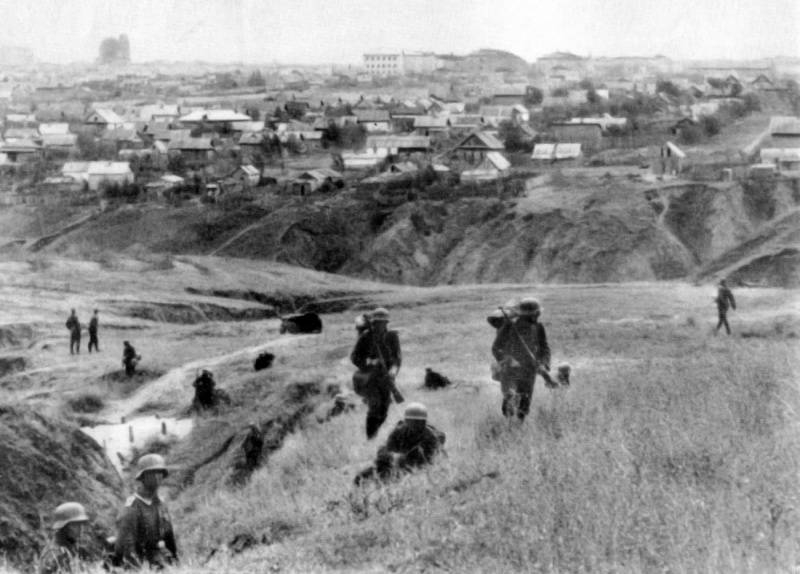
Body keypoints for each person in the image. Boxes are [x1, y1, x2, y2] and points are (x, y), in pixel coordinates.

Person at [491, 297, 554, 421]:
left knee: (525, 402)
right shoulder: (509, 325)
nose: (538, 315)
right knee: (510, 397)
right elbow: (496, 347)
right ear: (531, 314)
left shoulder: (538, 327)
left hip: (529, 369)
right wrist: (507, 359)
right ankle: (508, 425)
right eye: (536, 313)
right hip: (510, 369)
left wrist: (543, 363)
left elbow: (544, 347)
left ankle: (519, 426)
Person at [354, 402, 445, 485]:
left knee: (396, 477)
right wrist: (389, 455)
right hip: (396, 462)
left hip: (414, 465)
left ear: (424, 422)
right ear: (406, 421)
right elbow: (387, 448)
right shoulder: (399, 431)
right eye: (413, 421)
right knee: (363, 475)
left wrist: (405, 459)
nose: (416, 424)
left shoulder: (430, 437)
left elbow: (428, 460)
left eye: (420, 422)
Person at [113, 453, 178, 569]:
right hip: (141, 564)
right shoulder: (132, 506)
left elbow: (169, 538)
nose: (158, 477)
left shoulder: (161, 504)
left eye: (160, 473)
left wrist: (176, 563)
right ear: (143, 477)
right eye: (153, 473)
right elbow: (127, 547)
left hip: (160, 561)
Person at [350, 307, 404, 439]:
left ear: (386, 323)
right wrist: (369, 363)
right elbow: (354, 357)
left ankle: (374, 433)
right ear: (373, 322)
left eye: (382, 322)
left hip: (386, 377)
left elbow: (397, 359)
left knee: (384, 409)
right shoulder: (366, 336)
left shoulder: (392, 336)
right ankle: (370, 437)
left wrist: (392, 372)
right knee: (375, 405)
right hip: (369, 378)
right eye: (376, 322)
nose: (379, 325)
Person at [37, 502, 90, 574]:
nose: (81, 529)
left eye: (81, 524)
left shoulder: (70, 547)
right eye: (75, 525)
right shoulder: (55, 553)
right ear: (64, 527)